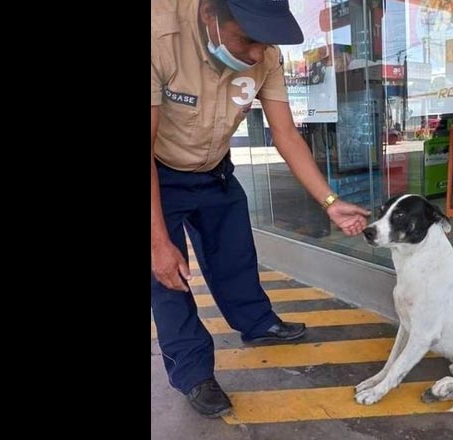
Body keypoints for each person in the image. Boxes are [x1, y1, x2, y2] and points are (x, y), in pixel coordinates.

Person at [151, 0, 370, 418]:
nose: (257, 54)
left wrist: (330, 201)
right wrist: (158, 242)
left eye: (263, 41)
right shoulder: (158, 36)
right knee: (167, 278)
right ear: (209, 16)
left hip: (215, 169)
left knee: (235, 254)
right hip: (159, 173)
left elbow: (286, 134)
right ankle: (193, 372)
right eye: (247, 39)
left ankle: (256, 323)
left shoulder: (265, 53)